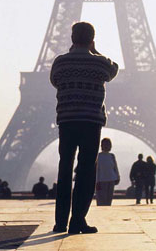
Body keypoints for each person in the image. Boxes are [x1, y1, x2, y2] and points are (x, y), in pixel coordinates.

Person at [50, 21, 118, 234]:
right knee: (87, 171)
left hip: (67, 121)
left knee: (64, 169)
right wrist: (93, 51)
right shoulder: (100, 64)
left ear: (72, 39)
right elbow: (113, 70)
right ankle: (78, 220)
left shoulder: (60, 63)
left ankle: (60, 221)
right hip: (90, 122)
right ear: (91, 40)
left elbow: (54, 81)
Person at [95, 137, 120, 206]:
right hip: (102, 181)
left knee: (108, 200)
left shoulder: (111, 156)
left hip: (110, 180)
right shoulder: (98, 156)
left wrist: (117, 177)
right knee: (102, 200)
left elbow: (115, 168)